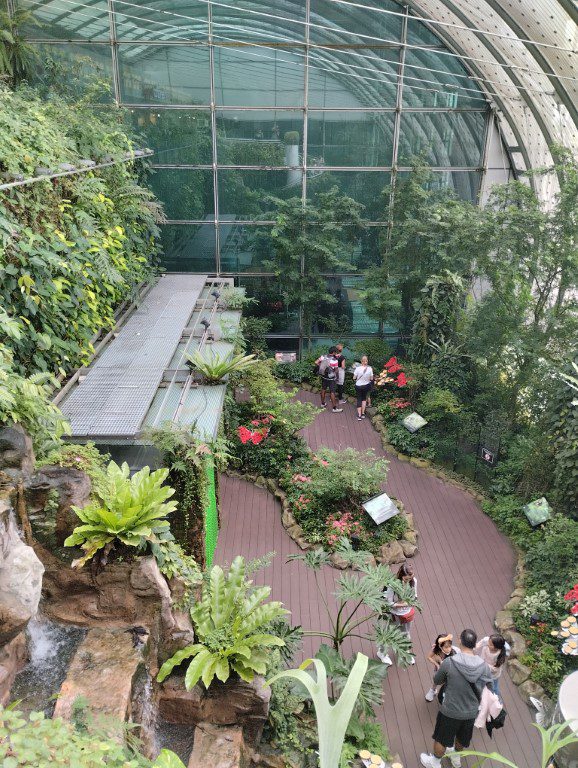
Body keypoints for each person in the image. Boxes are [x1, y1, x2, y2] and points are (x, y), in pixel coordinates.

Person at [420, 628, 493, 768]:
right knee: (462, 738)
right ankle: (456, 758)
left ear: (460, 640)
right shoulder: (484, 667)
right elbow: (489, 687)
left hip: (450, 710)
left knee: (441, 738)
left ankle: (435, 762)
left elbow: (438, 680)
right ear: (474, 643)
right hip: (471, 712)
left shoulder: (450, 662)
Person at [378, 562, 417, 666]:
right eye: (406, 579)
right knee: (387, 634)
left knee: (406, 633)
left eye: (410, 578)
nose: (408, 581)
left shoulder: (413, 581)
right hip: (393, 614)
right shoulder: (392, 585)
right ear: (401, 576)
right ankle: (382, 653)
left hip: (407, 614)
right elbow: (388, 602)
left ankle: (406, 652)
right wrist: (401, 604)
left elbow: (414, 596)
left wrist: (409, 602)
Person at [425, 633, 458, 702]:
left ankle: (445, 694)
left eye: (450, 646)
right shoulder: (436, 650)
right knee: (436, 679)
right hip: (438, 669)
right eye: (446, 647)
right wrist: (437, 664)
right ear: (440, 646)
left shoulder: (453, 654)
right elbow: (429, 657)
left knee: (447, 683)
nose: (449, 649)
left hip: (449, 672)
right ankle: (433, 690)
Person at [475, 634, 508, 700]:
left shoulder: (499, 656)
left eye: (490, 644)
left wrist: (483, 664)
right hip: (483, 667)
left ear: (496, 647)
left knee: (494, 687)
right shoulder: (489, 641)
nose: (487, 644)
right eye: (488, 642)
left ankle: (496, 699)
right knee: (481, 681)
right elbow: (484, 640)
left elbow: (495, 669)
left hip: (493, 675)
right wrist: (477, 645)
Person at [315, 346, 343, 413]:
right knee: (332, 392)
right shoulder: (334, 360)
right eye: (335, 352)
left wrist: (322, 367)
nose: (336, 353)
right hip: (331, 378)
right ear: (333, 352)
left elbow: (316, 362)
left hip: (324, 376)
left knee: (323, 389)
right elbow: (336, 370)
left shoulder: (323, 356)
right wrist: (337, 377)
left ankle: (322, 403)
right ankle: (334, 408)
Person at [353, 355, 373, 421]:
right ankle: (363, 413)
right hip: (366, 386)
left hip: (358, 386)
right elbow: (371, 378)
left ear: (361, 361)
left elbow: (354, 378)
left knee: (359, 399)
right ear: (367, 361)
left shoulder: (357, 368)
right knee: (364, 399)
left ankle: (359, 415)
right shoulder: (370, 369)